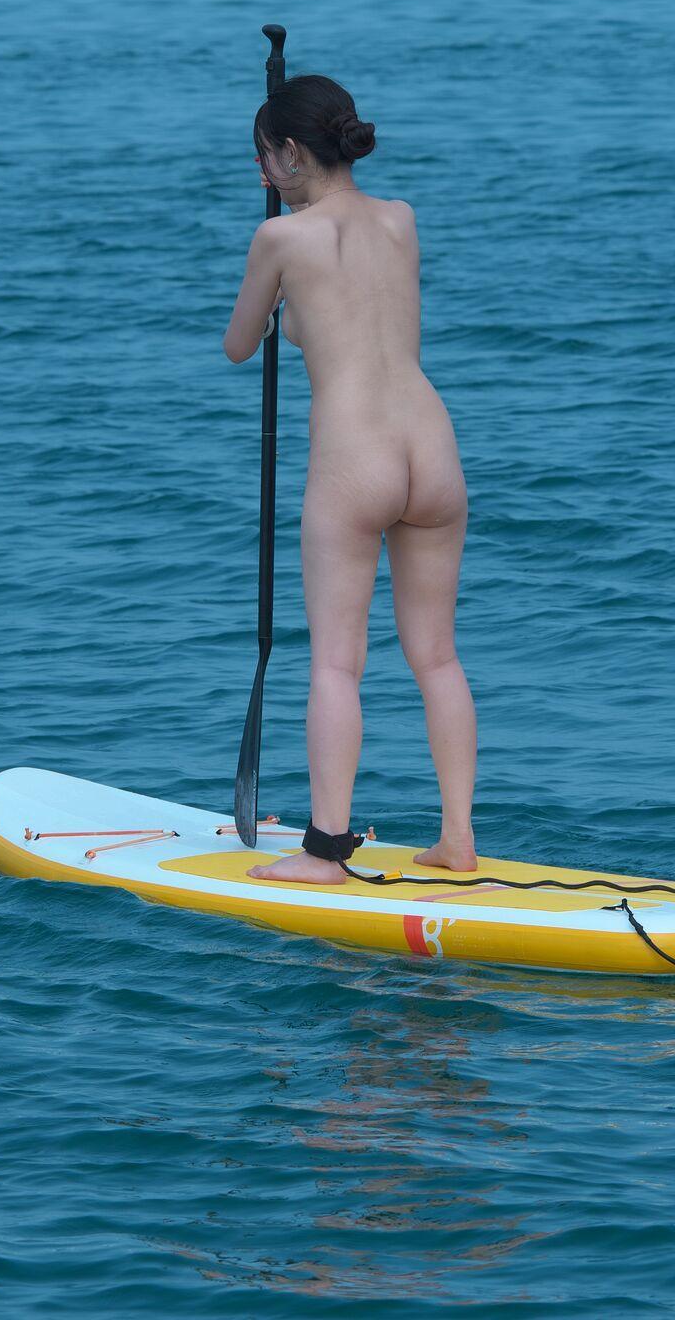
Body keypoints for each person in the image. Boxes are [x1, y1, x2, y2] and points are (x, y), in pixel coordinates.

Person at [222, 75, 479, 884]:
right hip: (432, 450)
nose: (262, 174)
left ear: (291, 153)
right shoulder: (401, 220)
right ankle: (458, 839)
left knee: (337, 662)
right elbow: (358, 316)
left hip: (354, 458)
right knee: (437, 657)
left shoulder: (280, 239)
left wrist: (275, 306)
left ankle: (326, 853)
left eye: (264, 159)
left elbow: (240, 344)